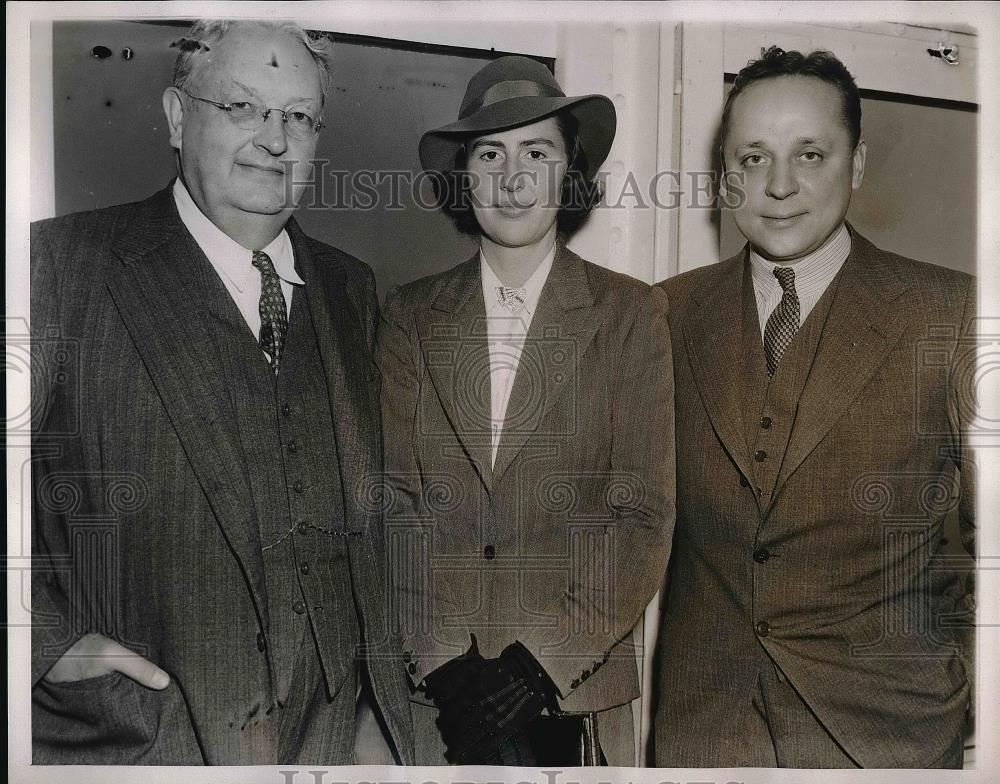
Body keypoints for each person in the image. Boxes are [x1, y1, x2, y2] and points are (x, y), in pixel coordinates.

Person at [30, 19, 412, 765]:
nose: (274, 139)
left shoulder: (350, 287)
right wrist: (45, 646)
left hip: (326, 742)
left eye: (298, 116)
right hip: (140, 739)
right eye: (242, 107)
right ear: (178, 117)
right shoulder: (57, 265)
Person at [654, 46, 976, 768]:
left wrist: (968, 690)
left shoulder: (951, 313)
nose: (779, 186)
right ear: (725, 174)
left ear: (856, 166)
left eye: (810, 154)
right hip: (707, 733)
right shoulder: (667, 312)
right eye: (753, 159)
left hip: (887, 737)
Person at [376, 55, 675, 767]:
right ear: (464, 175)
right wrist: (447, 663)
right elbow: (389, 502)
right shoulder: (409, 316)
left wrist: (539, 664)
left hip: (574, 698)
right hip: (438, 703)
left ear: (569, 173)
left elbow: (642, 517)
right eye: (490, 154)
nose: (512, 179)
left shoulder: (631, 314)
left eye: (536, 152)